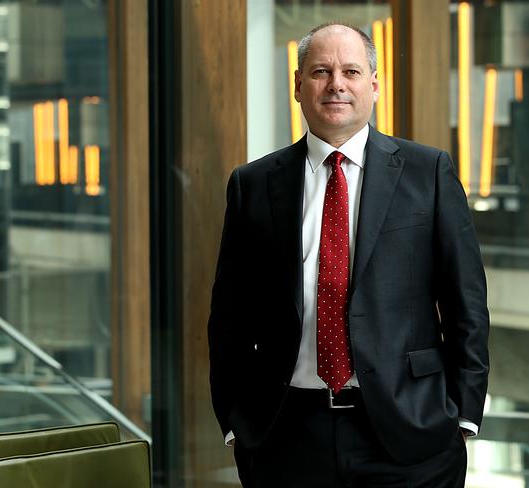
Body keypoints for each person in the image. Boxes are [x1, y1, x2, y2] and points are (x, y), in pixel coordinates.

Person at [208, 22, 489, 488]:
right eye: (320, 71)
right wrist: (236, 422)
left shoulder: (429, 172)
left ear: (373, 86)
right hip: (284, 434)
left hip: (410, 434)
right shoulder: (253, 184)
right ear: (298, 85)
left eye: (351, 71)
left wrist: (462, 418)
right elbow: (229, 317)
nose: (336, 83)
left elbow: (467, 305)